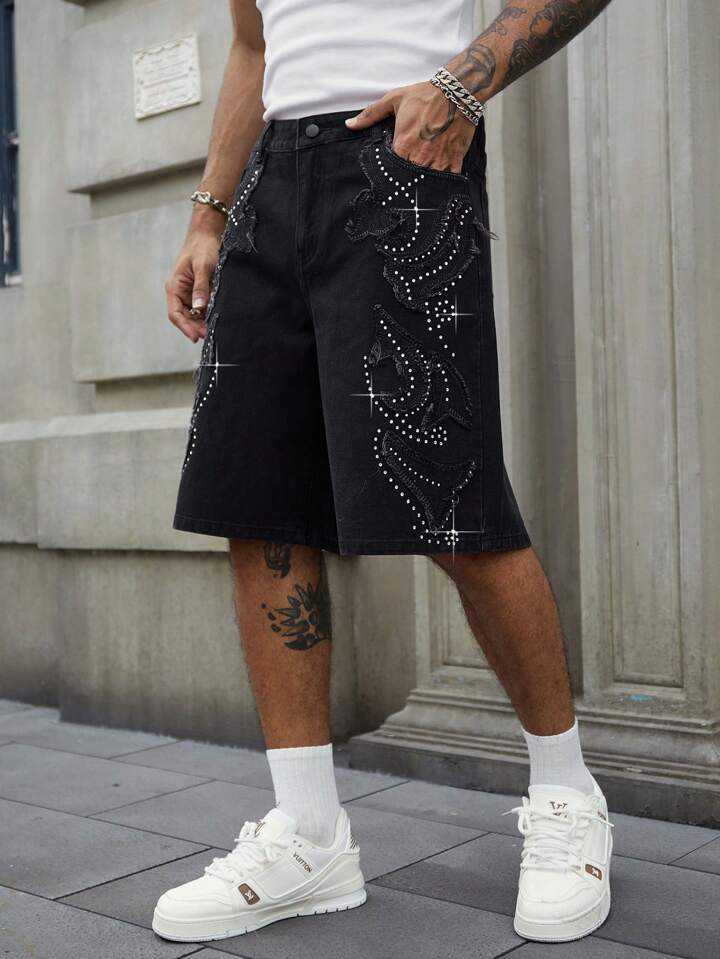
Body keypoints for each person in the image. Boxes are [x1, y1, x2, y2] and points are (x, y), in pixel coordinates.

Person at [154, 0, 614, 945]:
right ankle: (310, 833)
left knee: (449, 501)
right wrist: (208, 211)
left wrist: (461, 86)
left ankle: (569, 795)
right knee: (260, 506)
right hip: (270, 184)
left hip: (401, 158)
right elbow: (252, 43)